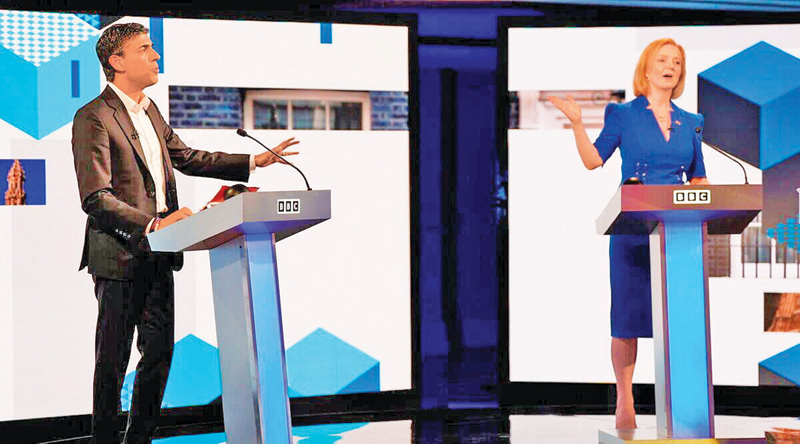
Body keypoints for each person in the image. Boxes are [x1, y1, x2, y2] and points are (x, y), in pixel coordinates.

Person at [71, 22, 299, 444]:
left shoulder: (150, 110)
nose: (155, 55)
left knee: (158, 354)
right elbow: (96, 197)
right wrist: (154, 224)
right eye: (144, 49)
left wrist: (252, 162)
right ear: (117, 61)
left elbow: (189, 157)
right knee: (113, 363)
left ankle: (139, 439)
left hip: (162, 251)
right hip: (119, 254)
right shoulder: (93, 116)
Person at [548, 38, 710, 429]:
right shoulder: (622, 114)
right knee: (628, 317)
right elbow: (593, 160)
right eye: (663, 60)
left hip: (677, 234)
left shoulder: (692, 121)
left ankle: (681, 401)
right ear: (647, 69)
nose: (670, 67)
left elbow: (699, 177)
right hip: (632, 230)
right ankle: (625, 398)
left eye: (677, 62)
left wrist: (707, 195)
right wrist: (577, 123)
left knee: (678, 318)